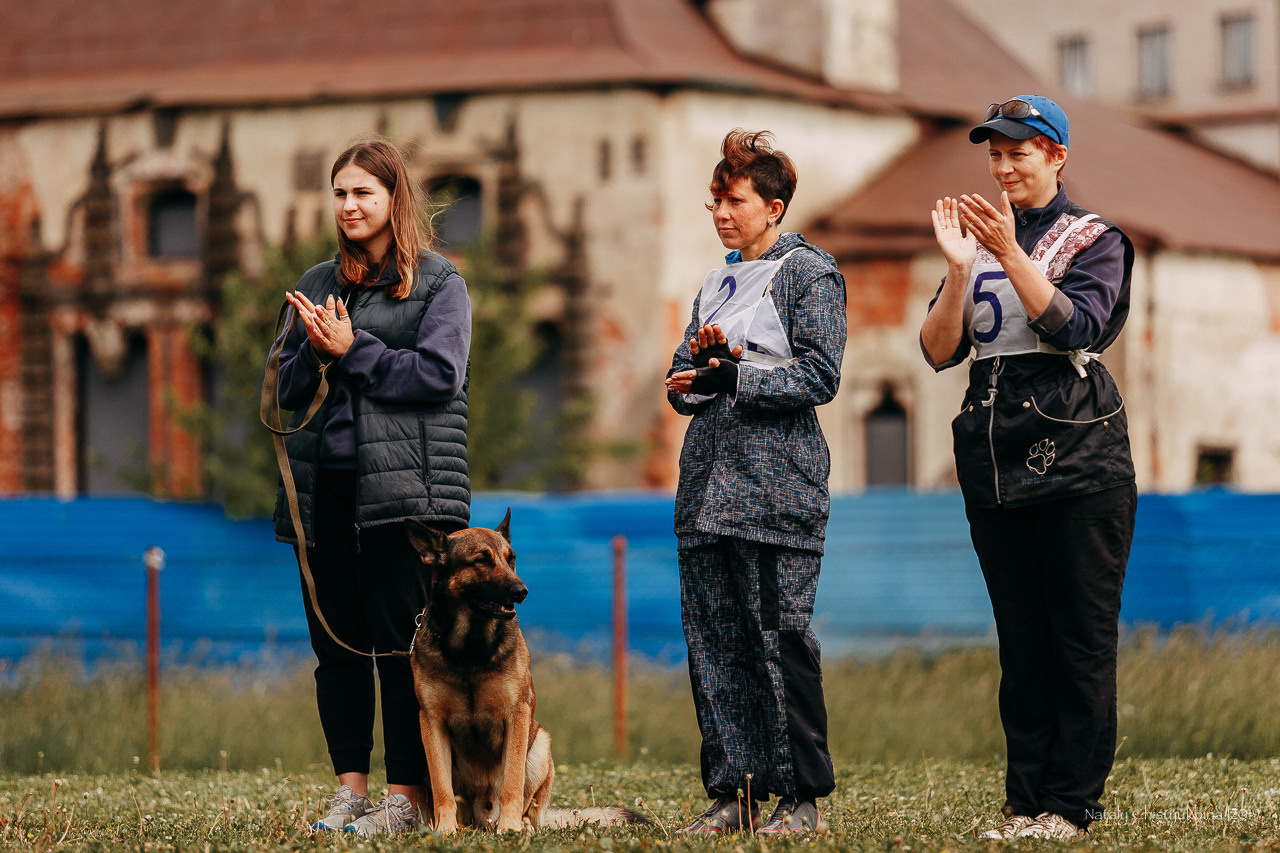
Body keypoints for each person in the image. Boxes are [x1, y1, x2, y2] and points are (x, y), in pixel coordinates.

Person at [920, 96, 1136, 840]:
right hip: (996, 463)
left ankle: (1071, 805)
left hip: (1081, 465)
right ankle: (1026, 801)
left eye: (1020, 152)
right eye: (995, 153)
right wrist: (957, 270)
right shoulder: (975, 242)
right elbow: (939, 349)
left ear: (1056, 158)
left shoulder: (1096, 238)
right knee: (1022, 641)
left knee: (1078, 637)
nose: (1004, 165)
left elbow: (1079, 325)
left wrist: (1011, 252)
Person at [266, 139, 472, 837]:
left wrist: (354, 349)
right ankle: (350, 791)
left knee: (400, 651)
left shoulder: (440, 283)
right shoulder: (319, 280)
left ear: (394, 200)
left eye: (364, 193)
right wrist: (312, 347)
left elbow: (438, 376)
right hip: (326, 492)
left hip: (407, 498)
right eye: (340, 192)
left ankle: (407, 796)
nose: (349, 205)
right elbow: (288, 389)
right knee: (337, 650)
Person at [664, 129, 846, 835]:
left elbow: (820, 374)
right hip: (706, 493)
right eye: (715, 201)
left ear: (772, 206)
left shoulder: (809, 273)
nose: (720, 214)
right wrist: (698, 378)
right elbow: (684, 381)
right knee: (714, 645)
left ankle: (800, 798)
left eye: (734, 200)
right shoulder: (715, 282)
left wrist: (736, 375)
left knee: (779, 641)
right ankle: (732, 794)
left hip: (775, 493)